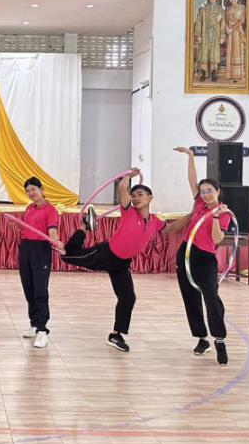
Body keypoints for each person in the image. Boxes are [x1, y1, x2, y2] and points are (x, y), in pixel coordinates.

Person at [61, 169, 165, 352]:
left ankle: (116, 335)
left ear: (150, 198)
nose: (135, 198)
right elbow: (123, 188)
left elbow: (171, 229)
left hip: (121, 263)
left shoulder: (155, 221)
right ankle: (83, 228)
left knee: (128, 297)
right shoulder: (129, 212)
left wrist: (191, 216)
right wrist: (129, 174)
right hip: (107, 254)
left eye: (140, 194)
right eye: (133, 195)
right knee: (68, 255)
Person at [171, 147, 232, 365]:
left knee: (211, 298)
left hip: (205, 259)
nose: (205, 194)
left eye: (209, 191)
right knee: (190, 298)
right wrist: (190, 157)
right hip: (186, 254)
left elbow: (216, 239)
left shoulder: (223, 213)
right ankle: (201, 338)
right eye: (203, 191)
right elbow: (192, 180)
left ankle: (219, 340)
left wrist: (215, 218)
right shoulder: (199, 204)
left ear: (218, 191)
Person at [17, 177, 64, 349]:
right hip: (26, 248)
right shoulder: (29, 208)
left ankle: (43, 330)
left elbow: (52, 231)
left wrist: (56, 241)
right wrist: (17, 225)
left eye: (33, 190)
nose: (31, 193)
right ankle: (34, 324)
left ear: (41, 189)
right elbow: (28, 228)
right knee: (28, 288)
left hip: (41, 250)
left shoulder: (50, 209)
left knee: (40, 290)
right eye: (28, 191)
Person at [192, 0, 225, 82]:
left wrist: (222, 36)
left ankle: (214, 72)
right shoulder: (203, 8)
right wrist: (198, 35)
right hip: (205, 33)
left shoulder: (220, 10)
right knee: (204, 53)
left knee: (214, 53)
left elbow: (223, 24)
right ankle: (203, 72)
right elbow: (198, 22)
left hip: (215, 34)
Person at [224, 0, 246, 83]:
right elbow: (225, 21)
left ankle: (238, 75)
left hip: (237, 31)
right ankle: (231, 75)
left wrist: (232, 28)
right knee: (230, 51)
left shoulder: (242, 8)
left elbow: (242, 20)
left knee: (237, 52)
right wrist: (227, 29)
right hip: (230, 32)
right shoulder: (227, 9)